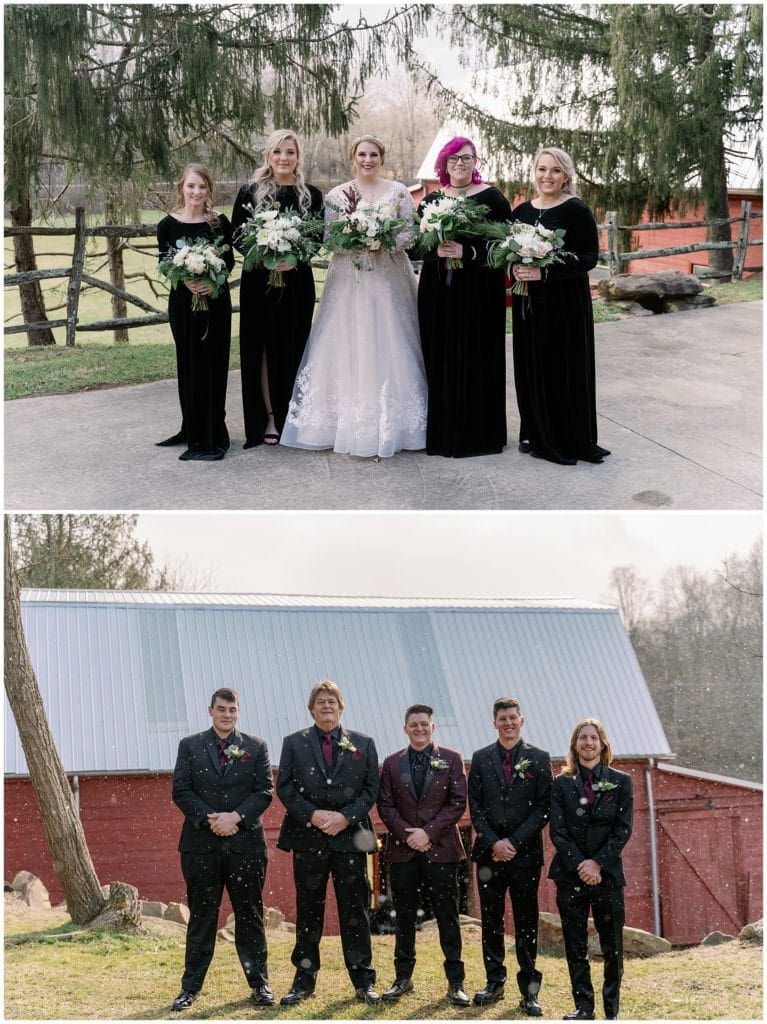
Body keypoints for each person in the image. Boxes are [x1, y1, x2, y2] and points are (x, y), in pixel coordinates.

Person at [280, 134, 427, 458]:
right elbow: (330, 239)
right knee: (350, 340)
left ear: (381, 157)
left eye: (374, 154)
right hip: (351, 278)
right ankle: (344, 423)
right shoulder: (337, 194)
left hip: (389, 276)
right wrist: (356, 240)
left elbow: (409, 231)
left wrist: (384, 240)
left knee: (392, 339)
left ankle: (395, 425)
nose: (368, 160)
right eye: (362, 154)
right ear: (353, 157)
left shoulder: (399, 191)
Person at [276, 680, 380, 1005]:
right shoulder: (294, 743)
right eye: (320, 702)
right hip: (309, 839)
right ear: (312, 708)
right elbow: (286, 788)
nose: (326, 707)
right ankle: (303, 982)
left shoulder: (363, 742)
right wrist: (314, 815)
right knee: (309, 912)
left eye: (332, 702)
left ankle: (363, 981)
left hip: (350, 840)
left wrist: (345, 817)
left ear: (341, 707)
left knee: (356, 911)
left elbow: (370, 789)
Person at [170, 688, 273, 1011]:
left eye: (232, 710)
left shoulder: (255, 747)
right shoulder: (190, 746)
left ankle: (260, 985)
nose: (227, 714)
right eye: (221, 709)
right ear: (210, 711)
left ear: (238, 712)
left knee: (250, 916)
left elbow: (265, 791)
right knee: (202, 917)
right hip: (201, 845)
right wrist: (210, 819)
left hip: (245, 847)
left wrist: (236, 817)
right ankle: (190, 988)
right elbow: (181, 790)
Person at [511, 146, 611, 465]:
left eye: (555, 170)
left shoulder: (576, 210)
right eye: (542, 169)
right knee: (532, 366)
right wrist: (514, 268)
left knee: (563, 369)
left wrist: (545, 271)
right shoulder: (522, 211)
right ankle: (538, 433)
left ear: (566, 174)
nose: (547, 176)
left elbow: (588, 258)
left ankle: (568, 437)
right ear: (534, 172)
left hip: (566, 304)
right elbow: (508, 252)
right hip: (528, 303)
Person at [417, 136, 512, 457]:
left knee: (477, 356)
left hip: (478, 294)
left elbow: (504, 247)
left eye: (466, 158)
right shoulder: (430, 202)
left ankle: (479, 435)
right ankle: (443, 433)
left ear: (475, 163)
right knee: (440, 356)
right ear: (443, 164)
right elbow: (417, 247)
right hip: (438, 292)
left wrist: (466, 251)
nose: (459, 163)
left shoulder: (493, 199)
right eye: (453, 159)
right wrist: (435, 247)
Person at [231, 129, 324, 448]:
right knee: (264, 351)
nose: (284, 158)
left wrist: (294, 257)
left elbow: (316, 237)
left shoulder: (311, 194)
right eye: (277, 152)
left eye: (290, 152)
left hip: (297, 282)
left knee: (295, 347)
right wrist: (266, 257)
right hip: (260, 282)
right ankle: (268, 417)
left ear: (298, 157)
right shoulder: (250, 192)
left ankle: (294, 418)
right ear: (268, 156)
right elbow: (237, 236)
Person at [377, 704, 470, 1007]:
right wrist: (408, 834)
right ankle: (402, 978)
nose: (419, 729)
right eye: (413, 724)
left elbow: (457, 803)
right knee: (403, 916)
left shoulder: (452, 759)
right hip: (403, 851)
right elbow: (386, 806)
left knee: (447, 914)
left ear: (433, 727)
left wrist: (428, 832)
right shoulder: (392, 764)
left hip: (441, 849)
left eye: (424, 724)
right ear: (405, 729)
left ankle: (455, 982)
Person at [468, 697, 552, 1015]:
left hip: (525, 854)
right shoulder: (480, 758)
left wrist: (514, 841)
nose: (508, 723)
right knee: (491, 920)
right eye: (502, 718)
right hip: (490, 855)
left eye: (513, 717)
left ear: (522, 720)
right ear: (494, 723)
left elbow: (544, 807)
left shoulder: (539, 758)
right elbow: (474, 806)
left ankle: (529, 990)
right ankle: (494, 981)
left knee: (526, 922)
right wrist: (494, 842)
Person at [549, 718, 633, 1021]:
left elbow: (623, 829)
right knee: (575, 944)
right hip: (570, 876)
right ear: (575, 745)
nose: (588, 742)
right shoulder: (560, 784)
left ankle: (611, 1010)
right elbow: (557, 831)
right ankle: (584, 1007)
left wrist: (597, 862)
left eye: (593, 738)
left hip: (607, 876)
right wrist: (580, 864)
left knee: (612, 945)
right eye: (582, 738)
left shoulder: (621, 781)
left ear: (602, 744)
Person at [156, 163, 235, 461]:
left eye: (202, 187)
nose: (197, 192)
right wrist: (186, 278)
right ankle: (192, 426)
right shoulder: (167, 225)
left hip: (215, 302)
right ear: (181, 188)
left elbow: (228, 263)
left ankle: (213, 430)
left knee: (213, 363)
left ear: (209, 190)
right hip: (182, 305)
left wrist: (209, 278)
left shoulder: (219, 224)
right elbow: (165, 264)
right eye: (191, 186)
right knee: (188, 363)